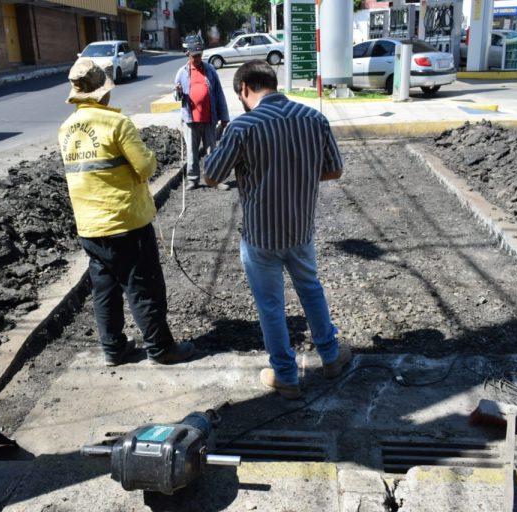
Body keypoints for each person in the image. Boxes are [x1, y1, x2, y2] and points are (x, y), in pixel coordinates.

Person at [203, 60, 351, 399]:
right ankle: (330, 357)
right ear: (273, 82)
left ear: (244, 89)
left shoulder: (243, 127)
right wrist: (297, 176)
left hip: (260, 236)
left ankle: (286, 376)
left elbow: (211, 176)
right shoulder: (314, 118)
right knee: (311, 289)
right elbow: (334, 170)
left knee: (271, 306)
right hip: (300, 229)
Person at [58, 58, 194, 366]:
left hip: (90, 226)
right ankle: (161, 348)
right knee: (143, 286)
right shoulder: (116, 124)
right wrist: (150, 155)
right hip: (125, 222)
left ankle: (114, 349)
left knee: (104, 289)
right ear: (102, 93)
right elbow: (145, 166)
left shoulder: (65, 129)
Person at [174, 41, 230, 191]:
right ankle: (193, 179)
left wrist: (224, 116)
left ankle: (215, 179)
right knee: (192, 152)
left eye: (199, 55)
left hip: (209, 118)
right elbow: (177, 97)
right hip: (190, 119)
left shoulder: (210, 70)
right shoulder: (182, 72)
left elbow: (219, 93)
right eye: (194, 56)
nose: (197, 58)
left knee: (212, 151)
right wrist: (178, 92)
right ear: (188, 55)